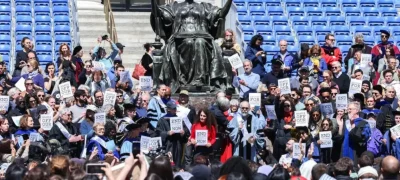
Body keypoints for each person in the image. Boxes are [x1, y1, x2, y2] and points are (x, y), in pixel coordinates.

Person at [156, 101, 190, 169]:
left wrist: (183, 132)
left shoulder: (178, 119)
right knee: (168, 165)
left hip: (178, 145)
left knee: (177, 165)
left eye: (175, 108)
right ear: (168, 109)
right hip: (167, 145)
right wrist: (167, 133)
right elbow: (158, 133)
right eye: (173, 109)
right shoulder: (162, 120)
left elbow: (187, 130)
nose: (175, 110)